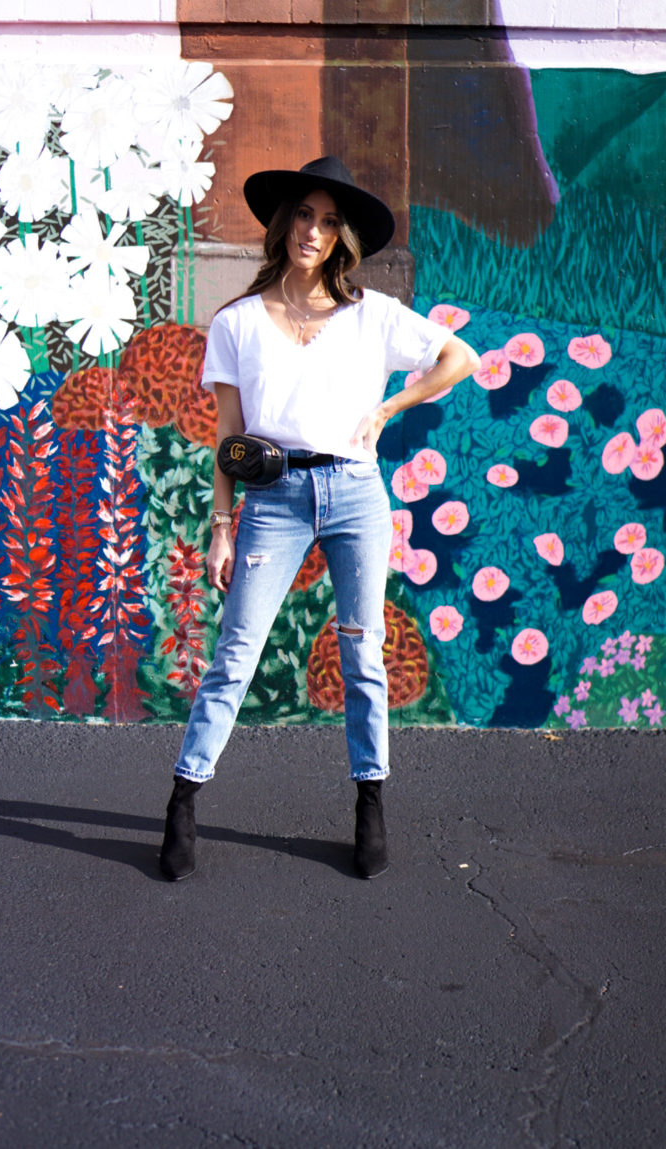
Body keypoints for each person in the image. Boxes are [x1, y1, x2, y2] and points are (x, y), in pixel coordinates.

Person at [159, 156, 480, 882]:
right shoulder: (238, 322)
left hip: (357, 494)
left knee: (362, 652)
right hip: (274, 499)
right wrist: (220, 524)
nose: (313, 229)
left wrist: (390, 408)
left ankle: (370, 800)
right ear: (283, 224)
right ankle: (184, 798)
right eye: (302, 214)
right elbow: (229, 440)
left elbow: (461, 356)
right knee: (235, 653)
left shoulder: (372, 316)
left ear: (343, 240)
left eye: (328, 220)